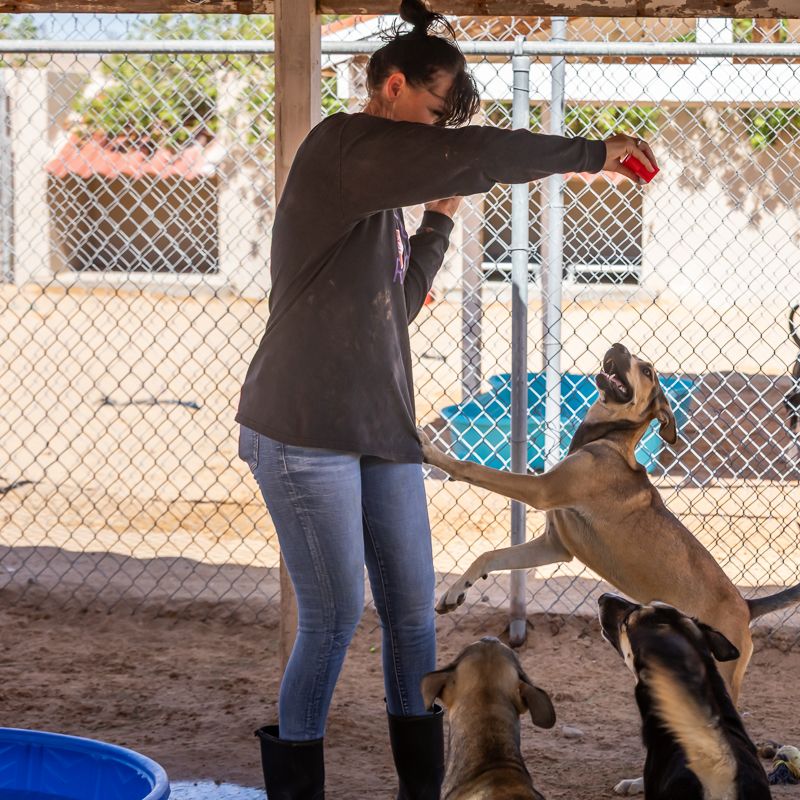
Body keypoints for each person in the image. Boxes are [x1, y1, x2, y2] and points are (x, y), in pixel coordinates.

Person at [236, 1, 657, 798]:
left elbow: (397, 305)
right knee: (332, 618)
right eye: (434, 111)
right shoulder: (342, 147)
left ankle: (423, 792)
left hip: (378, 425)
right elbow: (479, 153)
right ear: (393, 86)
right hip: (302, 426)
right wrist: (592, 153)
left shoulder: (380, 190)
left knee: (411, 616)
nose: (438, 134)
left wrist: (435, 223)